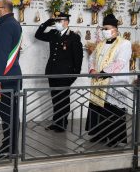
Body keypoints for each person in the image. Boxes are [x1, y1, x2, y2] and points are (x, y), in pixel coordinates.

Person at [86, 14, 132, 147]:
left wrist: (103, 74)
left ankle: (114, 138)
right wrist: (93, 70)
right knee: (98, 108)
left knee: (112, 110)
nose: (104, 31)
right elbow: (92, 58)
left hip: (114, 82)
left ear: (115, 30)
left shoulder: (125, 43)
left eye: (107, 28)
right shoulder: (100, 44)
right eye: (103, 29)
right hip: (99, 82)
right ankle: (99, 134)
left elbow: (121, 62)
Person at [35, 12, 83, 132]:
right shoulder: (53, 33)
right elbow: (38, 35)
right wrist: (47, 22)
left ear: (66, 22)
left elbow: (78, 58)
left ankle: (62, 124)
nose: (56, 24)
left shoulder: (73, 37)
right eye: (55, 22)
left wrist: (74, 76)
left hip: (65, 75)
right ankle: (56, 122)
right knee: (55, 98)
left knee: (63, 99)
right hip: (52, 72)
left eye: (58, 21)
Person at [0, 0, 22, 159]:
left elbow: (2, 54)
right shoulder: (13, 23)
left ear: (4, 9)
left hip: (5, 79)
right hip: (12, 76)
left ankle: (9, 148)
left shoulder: (6, 25)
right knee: (11, 114)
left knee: (7, 115)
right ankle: (11, 146)